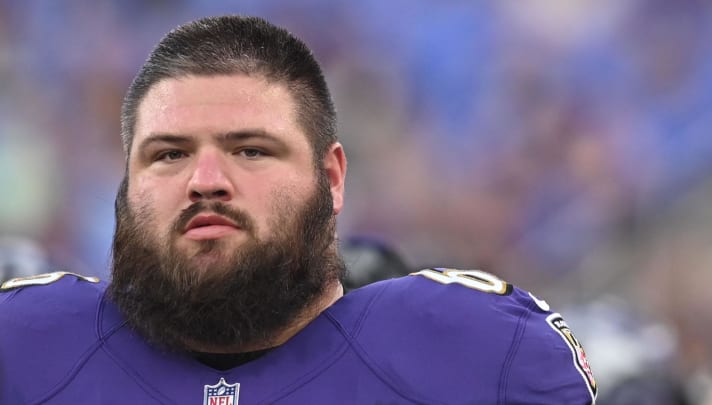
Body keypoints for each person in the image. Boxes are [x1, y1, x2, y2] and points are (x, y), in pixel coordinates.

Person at [0, 15, 597, 404]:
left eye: (251, 150)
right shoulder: (23, 348)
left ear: (331, 178)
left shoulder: (473, 350)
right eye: (170, 154)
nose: (206, 182)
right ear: (125, 183)